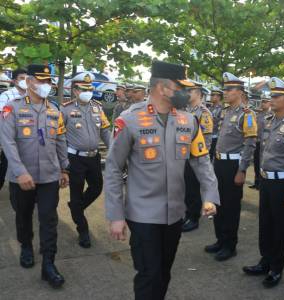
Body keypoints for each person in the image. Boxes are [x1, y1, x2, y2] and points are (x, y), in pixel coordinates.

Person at [105, 60, 219, 300]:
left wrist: (210, 196)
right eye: (181, 87)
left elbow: (201, 161)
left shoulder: (188, 121)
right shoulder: (130, 120)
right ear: (162, 87)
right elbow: (114, 168)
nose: (186, 93)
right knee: (149, 274)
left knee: (164, 272)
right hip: (143, 214)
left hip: (175, 213)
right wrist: (115, 215)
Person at [0, 64, 69, 288]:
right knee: (23, 215)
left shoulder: (54, 110)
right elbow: (7, 142)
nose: (46, 85)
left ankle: (49, 263)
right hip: (22, 177)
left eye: (48, 82)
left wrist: (64, 168)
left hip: (49, 176)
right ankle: (26, 245)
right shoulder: (13, 108)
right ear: (29, 82)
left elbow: (60, 141)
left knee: (49, 220)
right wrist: (20, 172)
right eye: (41, 81)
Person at [243, 77, 284, 287]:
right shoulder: (269, 121)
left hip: (283, 184)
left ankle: (276, 267)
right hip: (267, 182)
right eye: (271, 96)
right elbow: (263, 151)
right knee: (265, 224)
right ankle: (265, 260)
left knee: (280, 227)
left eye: (276, 96)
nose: (272, 99)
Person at [205, 72, 257, 261]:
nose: (225, 92)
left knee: (231, 206)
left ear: (240, 92)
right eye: (225, 89)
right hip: (220, 162)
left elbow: (250, 143)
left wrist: (242, 169)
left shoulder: (247, 114)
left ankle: (230, 245)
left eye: (229, 89)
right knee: (218, 202)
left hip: (233, 165)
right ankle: (220, 239)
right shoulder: (227, 112)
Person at [60, 72, 111, 248]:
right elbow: (59, 137)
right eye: (83, 89)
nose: (87, 92)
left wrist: (114, 149)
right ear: (74, 90)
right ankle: (83, 230)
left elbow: (105, 131)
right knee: (76, 192)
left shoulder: (97, 107)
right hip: (74, 159)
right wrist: (62, 163)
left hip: (94, 157)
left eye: (90, 89)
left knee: (97, 187)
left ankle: (76, 207)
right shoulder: (65, 109)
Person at [182, 80, 214, 232]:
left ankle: (193, 218)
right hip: (184, 156)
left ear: (199, 94)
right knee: (187, 188)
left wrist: (200, 160)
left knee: (194, 188)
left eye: (190, 91)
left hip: (195, 157)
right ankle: (187, 214)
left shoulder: (204, 113)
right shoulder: (186, 110)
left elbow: (206, 140)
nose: (187, 94)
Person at [0, 69, 28, 190]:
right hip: (11, 139)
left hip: (28, 140)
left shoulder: (31, 96)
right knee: (5, 166)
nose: (25, 81)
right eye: (22, 78)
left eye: (27, 78)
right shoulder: (6, 96)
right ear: (14, 80)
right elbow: (3, 117)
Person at [249, 93, 272, 190]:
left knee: (263, 163)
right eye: (262, 102)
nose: (263, 104)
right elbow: (252, 125)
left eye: (265, 102)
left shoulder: (272, 115)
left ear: (270, 103)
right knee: (256, 163)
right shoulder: (258, 114)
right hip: (257, 142)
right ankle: (256, 182)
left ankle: (262, 183)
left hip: (266, 144)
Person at [209, 87, 223, 160]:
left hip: (216, 137)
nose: (211, 96)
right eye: (211, 95)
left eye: (213, 95)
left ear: (218, 97)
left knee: (214, 158)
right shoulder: (210, 108)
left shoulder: (222, 108)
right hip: (209, 136)